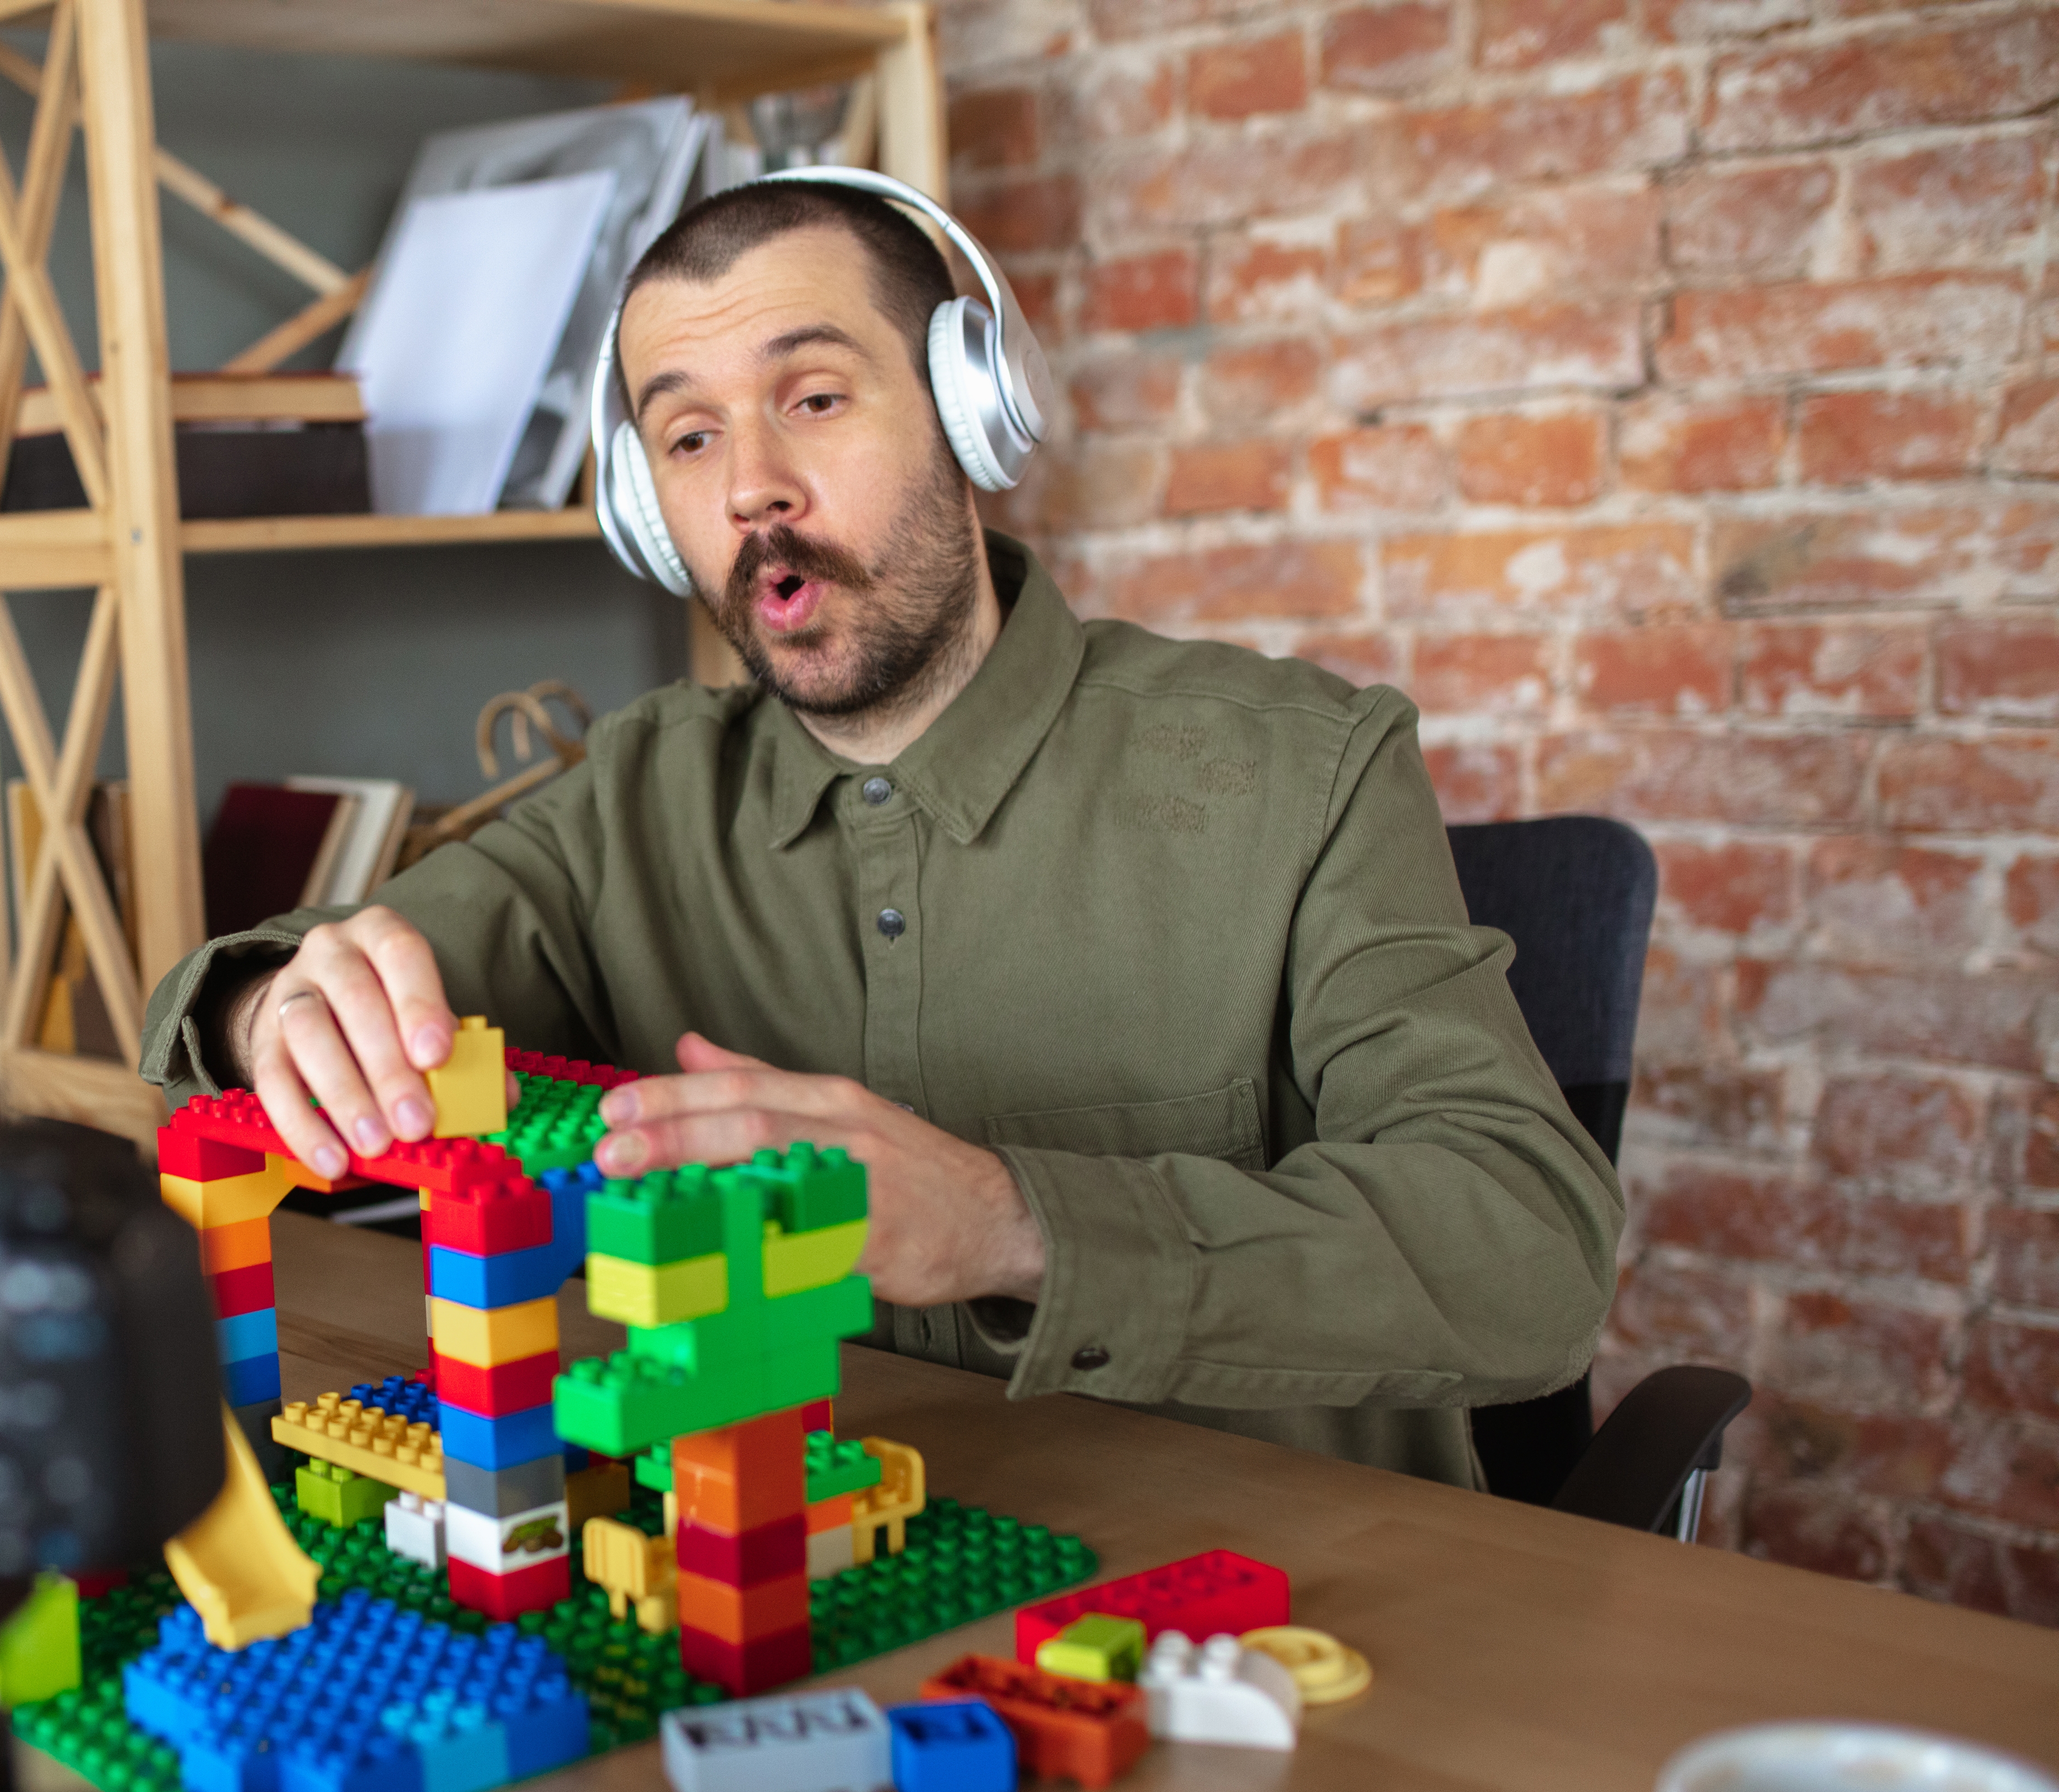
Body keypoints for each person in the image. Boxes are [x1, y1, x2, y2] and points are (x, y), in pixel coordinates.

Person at [137, 177, 1622, 1489]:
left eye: (816, 398)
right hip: (807, 1607)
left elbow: (1530, 1250)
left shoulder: (1304, 771)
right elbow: (245, 1001)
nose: (753, 486)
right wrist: (281, 1004)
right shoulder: (631, 802)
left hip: (1294, 1637)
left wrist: (1015, 1223)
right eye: (691, 435)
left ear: (971, 416)